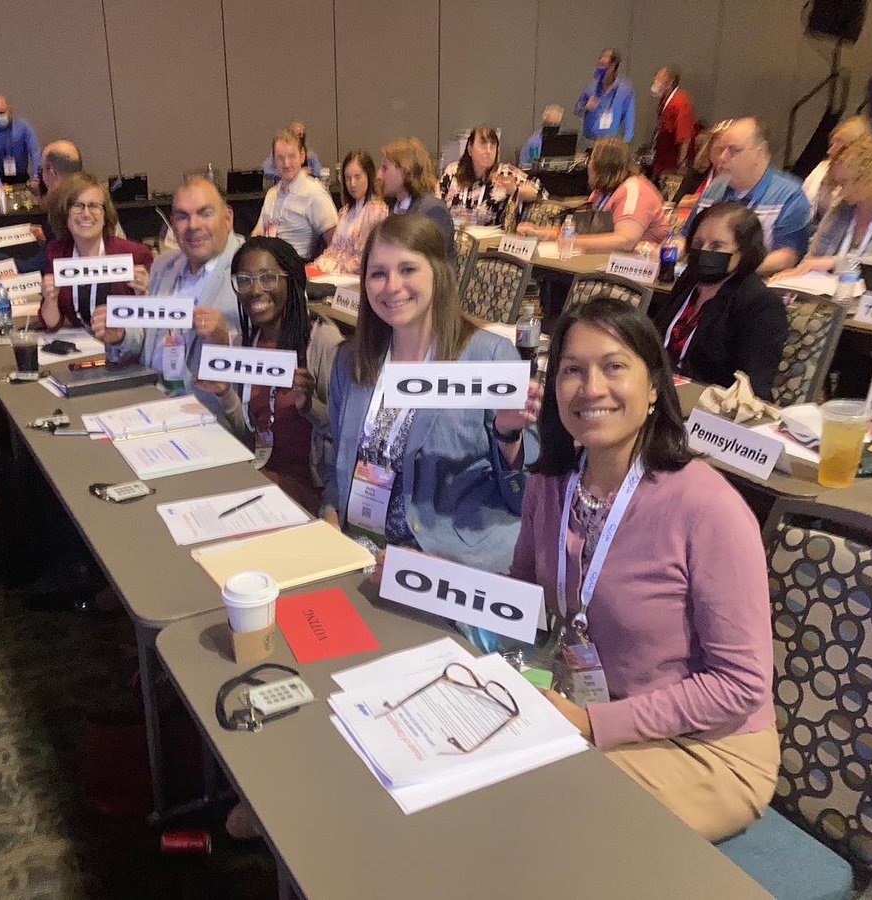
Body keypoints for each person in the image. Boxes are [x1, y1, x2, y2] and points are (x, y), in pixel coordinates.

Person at [510, 296, 776, 841]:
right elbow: (522, 599)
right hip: (589, 709)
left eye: (614, 366)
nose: (591, 387)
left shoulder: (708, 508)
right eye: (572, 370)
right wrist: (420, 580)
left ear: (655, 387)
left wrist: (594, 725)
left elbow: (741, 684)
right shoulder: (551, 480)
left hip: (705, 746)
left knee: (531, 821)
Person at [321, 213, 538, 579]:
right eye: (378, 273)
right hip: (358, 556)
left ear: (439, 274)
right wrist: (328, 523)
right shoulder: (350, 360)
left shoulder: (488, 357)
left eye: (408, 269)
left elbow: (526, 500)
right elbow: (336, 469)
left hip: (446, 565)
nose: (391, 286)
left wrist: (507, 436)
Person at [198, 237, 343, 511]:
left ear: (292, 282)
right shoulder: (246, 344)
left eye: (267, 278)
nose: (254, 290)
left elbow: (347, 435)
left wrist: (310, 405)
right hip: (261, 475)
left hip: (315, 491)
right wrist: (226, 394)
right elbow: (251, 436)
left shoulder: (323, 341)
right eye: (244, 280)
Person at [93, 176, 241, 395]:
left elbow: (266, 354)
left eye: (205, 213)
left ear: (227, 218)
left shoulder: (249, 272)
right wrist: (121, 335)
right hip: (150, 395)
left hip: (207, 407)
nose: (193, 225)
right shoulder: (164, 265)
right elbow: (147, 335)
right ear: (173, 225)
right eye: (183, 217)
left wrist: (223, 340)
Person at [651, 202, 788, 400]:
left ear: (744, 252)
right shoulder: (689, 280)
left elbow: (753, 389)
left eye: (716, 245)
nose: (704, 251)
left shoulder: (760, 305)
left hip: (711, 411)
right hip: (661, 395)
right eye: (698, 244)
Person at [683, 117, 811, 276]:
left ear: (760, 153)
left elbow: (788, 256)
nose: (722, 157)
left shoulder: (789, 195)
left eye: (733, 150)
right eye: (722, 149)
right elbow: (685, 237)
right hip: (705, 281)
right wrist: (665, 249)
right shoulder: (714, 188)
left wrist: (732, 266)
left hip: (756, 288)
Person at [38, 173, 152, 331]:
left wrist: (146, 294)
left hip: (124, 348)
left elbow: (154, 324)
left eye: (93, 206)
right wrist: (49, 299)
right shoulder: (57, 252)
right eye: (77, 206)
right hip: (82, 351)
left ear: (105, 215)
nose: (86, 214)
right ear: (65, 214)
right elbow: (52, 323)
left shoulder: (135, 254)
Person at [517, 138, 667, 252]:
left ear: (600, 165)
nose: (588, 165)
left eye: (591, 159)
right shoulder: (602, 192)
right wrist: (540, 233)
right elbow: (582, 233)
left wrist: (572, 243)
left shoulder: (635, 190)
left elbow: (625, 240)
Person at [776, 136, 872, 275]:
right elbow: (813, 257)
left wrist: (835, 262)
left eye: (844, 183)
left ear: (868, 180)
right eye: (837, 184)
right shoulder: (841, 209)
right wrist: (796, 274)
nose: (839, 192)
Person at [0, 140, 85, 271]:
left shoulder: (67, 210)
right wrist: (47, 242)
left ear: (51, 174)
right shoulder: (84, 200)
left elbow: (35, 268)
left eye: (41, 172)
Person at [253, 129, 338, 260]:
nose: (286, 164)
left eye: (292, 156)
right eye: (280, 158)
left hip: (296, 267)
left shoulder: (314, 193)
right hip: (269, 264)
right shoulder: (271, 194)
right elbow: (258, 233)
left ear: (302, 156)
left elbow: (335, 243)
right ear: (274, 161)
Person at [439, 125, 545, 229]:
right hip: (456, 235)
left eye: (493, 146)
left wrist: (514, 190)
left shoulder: (504, 173)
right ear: (470, 148)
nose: (489, 151)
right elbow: (437, 204)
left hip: (491, 240)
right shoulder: (452, 171)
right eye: (483, 144)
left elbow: (540, 192)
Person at [378, 137, 456, 264]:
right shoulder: (395, 208)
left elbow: (432, 268)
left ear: (403, 171)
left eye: (385, 168)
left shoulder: (433, 211)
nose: (379, 175)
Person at [312, 150, 387, 275]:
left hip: (354, 278)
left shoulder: (377, 212)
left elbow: (367, 259)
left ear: (369, 176)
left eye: (357, 177)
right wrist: (318, 265)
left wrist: (332, 269)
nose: (352, 184)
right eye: (348, 178)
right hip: (332, 274)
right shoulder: (345, 212)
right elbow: (332, 250)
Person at [802, 116, 871, 221]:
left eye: (839, 144)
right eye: (832, 144)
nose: (830, 151)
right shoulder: (820, 169)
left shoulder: (863, 185)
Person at [574, 49, 635, 142]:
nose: (599, 69)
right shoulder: (591, 86)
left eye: (603, 66)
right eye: (599, 63)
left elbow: (629, 118)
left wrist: (625, 143)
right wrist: (585, 106)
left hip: (609, 143)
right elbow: (577, 111)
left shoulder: (625, 88)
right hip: (589, 141)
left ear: (613, 66)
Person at [0, 95, 41, 188]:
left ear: (10, 110)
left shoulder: (23, 126)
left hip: (20, 176)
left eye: (2, 112)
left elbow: (35, 151)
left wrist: (35, 177)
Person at [650, 67, 695, 178]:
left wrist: (681, 162)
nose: (655, 82)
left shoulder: (680, 101)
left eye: (659, 79)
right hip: (662, 153)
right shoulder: (664, 99)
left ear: (670, 82)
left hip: (672, 157)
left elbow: (685, 135)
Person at [676, 119, 730, 207]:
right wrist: (705, 200)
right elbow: (678, 202)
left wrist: (693, 199)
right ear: (709, 150)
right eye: (719, 149)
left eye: (729, 150)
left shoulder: (737, 176)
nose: (723, 155)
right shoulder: (698, 170)